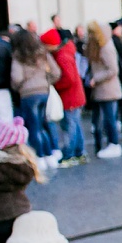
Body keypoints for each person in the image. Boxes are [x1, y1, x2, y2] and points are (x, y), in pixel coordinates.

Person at [8, 27, 60, 166]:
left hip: (28, 94)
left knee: (34, 127)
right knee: (43, 124)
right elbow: (56, 72)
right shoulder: (42, 53)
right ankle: (50, 154)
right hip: (44, 92)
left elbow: (17, 78)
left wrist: (18, 87)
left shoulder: (19, 56)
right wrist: (45, 82)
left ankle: (40, 156)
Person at [44, 28, 86, 166]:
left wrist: (55, 86)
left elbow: (69, 79)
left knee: (69, 127)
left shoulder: (62, 56)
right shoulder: (67, 51)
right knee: (76, 125)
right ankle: (79, 153)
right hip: (75, 95)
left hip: (69, 96)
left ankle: (69, 155)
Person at [84, 22, 122, 157]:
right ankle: (105, 144)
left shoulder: (106, 47)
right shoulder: (98, 46)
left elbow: (113, 69)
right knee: (102, 119)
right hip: (101, 89)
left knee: (109, 119)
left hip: (108, 89)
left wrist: (96, 78)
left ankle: (114, 144)